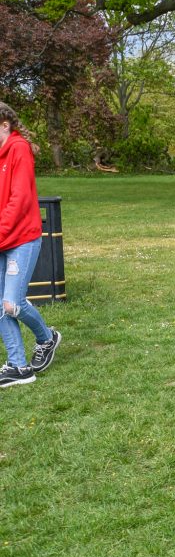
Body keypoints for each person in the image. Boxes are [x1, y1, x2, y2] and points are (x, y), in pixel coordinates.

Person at [0, 102, 61, 388]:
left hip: (22, 237)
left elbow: (20, 199)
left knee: (12, 304)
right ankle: (19, 367)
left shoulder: (19, 148)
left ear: (5, 125)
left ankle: (47, 338)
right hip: (3, 238)